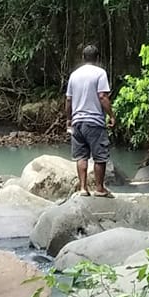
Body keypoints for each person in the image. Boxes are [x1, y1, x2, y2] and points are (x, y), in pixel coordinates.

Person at [63, 44, 115, 197]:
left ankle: (83, 188)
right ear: (97, 58)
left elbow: (68, 100)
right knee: (100, 156)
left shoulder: (74, 75)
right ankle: (99, 188)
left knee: (81, 156)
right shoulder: (100, 73)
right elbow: (102, 96)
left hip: (77, 122)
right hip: (94, 122)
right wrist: (111, 115)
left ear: (83, 58)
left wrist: (68, 119)